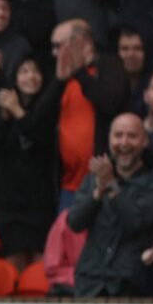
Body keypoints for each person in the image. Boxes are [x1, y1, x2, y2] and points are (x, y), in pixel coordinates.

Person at [69, 113, 153, 297]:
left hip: (132, 283)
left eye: (132, 136)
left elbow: (136, 223)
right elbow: (74, 222)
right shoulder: (93, 178)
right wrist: (98, 191)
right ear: (109, 139)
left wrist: (112, 185)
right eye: (118, 135)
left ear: (145, 141)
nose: (124, 142)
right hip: (90, 280)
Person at [48, 19, 130, 211]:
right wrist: (59, 82)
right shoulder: (63, 73)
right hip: (67, 187)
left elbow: (110, 103)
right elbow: (39, 120)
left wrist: (81, 73)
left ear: (81, 42)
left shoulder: (110, 65)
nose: (54, 53)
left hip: (103, 183)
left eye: (59, 46)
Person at [0, 56, 57, 272]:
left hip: (40, 202)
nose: (31, 76)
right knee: (13, 262)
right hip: (10, 203)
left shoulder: (47, 107)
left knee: (40, 264)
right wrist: (7, 116)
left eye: (35, 71)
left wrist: (18, 111)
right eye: (24, 71)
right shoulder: (7, 111)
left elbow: (41, 139)